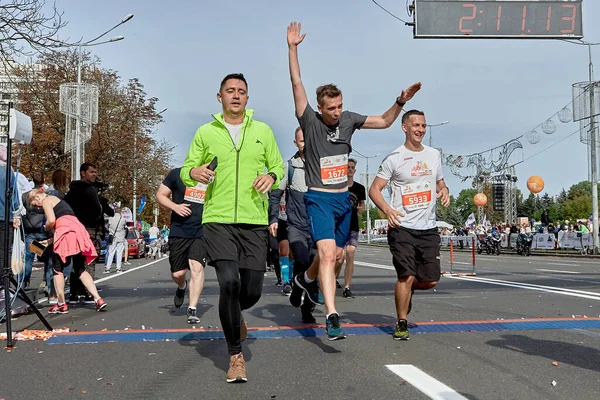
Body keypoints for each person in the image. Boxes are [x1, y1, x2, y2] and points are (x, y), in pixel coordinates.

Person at [287, 21, 421, 340]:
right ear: (319, 108)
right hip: (318, 198)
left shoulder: (349, 120)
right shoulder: (310, 119)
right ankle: (332, 315)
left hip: (342, 202)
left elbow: (386, 121)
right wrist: (292, 48)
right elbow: (296, 83)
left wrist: (400, 101)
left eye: (340, 106)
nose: (336, 112)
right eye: (331, 108)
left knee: (329, 257)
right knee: (329, 253)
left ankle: (304, 280)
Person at [181, 73, 284, 383]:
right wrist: (195, 172)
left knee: (250, 291)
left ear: (247, 99)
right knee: (229, 283)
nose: (236, 95)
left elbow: (278, 166)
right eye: (230, 91)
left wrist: (273, 178)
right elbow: (187, 170)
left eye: (241, 91)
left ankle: (234, 315)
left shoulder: (262, 131)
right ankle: (236, 356)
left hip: (254, 220)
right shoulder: (206, 132)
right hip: (218, 218)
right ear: (220, 97)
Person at [369, 110, 450, 341]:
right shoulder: (394, 157)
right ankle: (401, 322)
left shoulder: (434, 155)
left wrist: (444, 191)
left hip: (428, 228)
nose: (421, 130)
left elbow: (440, 182)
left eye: (424, 125)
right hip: (402, 227)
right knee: (405, 275)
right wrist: (387, 210)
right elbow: (374, 189)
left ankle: (408, 290)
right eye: (416, 125)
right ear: (404, 127)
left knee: (431, 279)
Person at [27, 189, 106, 313]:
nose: (37, 207)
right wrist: (47, 242)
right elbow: (65, 224)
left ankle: (61, 303)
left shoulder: (47, 200)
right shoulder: (60, 202)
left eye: (35, 204)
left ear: (37, 197)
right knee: (80, 269)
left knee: (57, 269)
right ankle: (98, 299)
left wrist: (46, 227)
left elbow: (52, 220)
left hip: (65, 233)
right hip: (78, 231)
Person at [269, 127, 318, 323]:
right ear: (295, 143)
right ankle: (298, 286)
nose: (305, 143)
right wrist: (273, 219)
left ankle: (307, 306)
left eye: (308, 139)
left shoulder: (321, 166)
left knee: (317, 266)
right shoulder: (288, 167)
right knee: (303, 260)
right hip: (296, 226)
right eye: (301, 140)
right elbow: (274, 196)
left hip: (317, 227)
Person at [156, 168, 207, 324]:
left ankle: (192, 308)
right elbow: (160, 195)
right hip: (179, 229)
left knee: (196, 266)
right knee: (178, 273)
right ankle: (182, 286)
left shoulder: (212, 177)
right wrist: (175, 206)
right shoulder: (177, 174)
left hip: (202, 229)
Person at [63, 163, 114, 304]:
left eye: (95, 172)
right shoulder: (91, 190)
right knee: (89, 259)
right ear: (83, 173)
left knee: (77, 260)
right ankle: (89, 293)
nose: (94, 174)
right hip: (90, 228)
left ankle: (74, 293)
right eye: (91, 172)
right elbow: (98, 210)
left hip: (75, 228)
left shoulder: (72, 190)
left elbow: (65, 206)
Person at [337, 158, 365, 299]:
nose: (350, 169)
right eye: (347, 167)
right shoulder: (338, 187)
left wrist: (359, 208)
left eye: (352, 167)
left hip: (353, 226)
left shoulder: (359, 188)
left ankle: (347, 287)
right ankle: (334, 277)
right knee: (339, 258)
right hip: (339, 226)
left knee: (350, 253)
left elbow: (362, 207)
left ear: (355, 170)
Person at [0, 145, 20, 282]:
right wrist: (16, 214)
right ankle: (3, 282)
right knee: (4, 250)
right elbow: (14, 195)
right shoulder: (7, 171)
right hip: (4, 215)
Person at [104, 207, 127, 273]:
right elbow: (125, 227)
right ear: (120, 212)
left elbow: (108, 227)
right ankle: (118, 268)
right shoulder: (123, 219)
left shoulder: (110, 219)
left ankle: (107, 268)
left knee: (111, 253)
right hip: (120, 238)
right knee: (119, 253)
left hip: (112, 237)